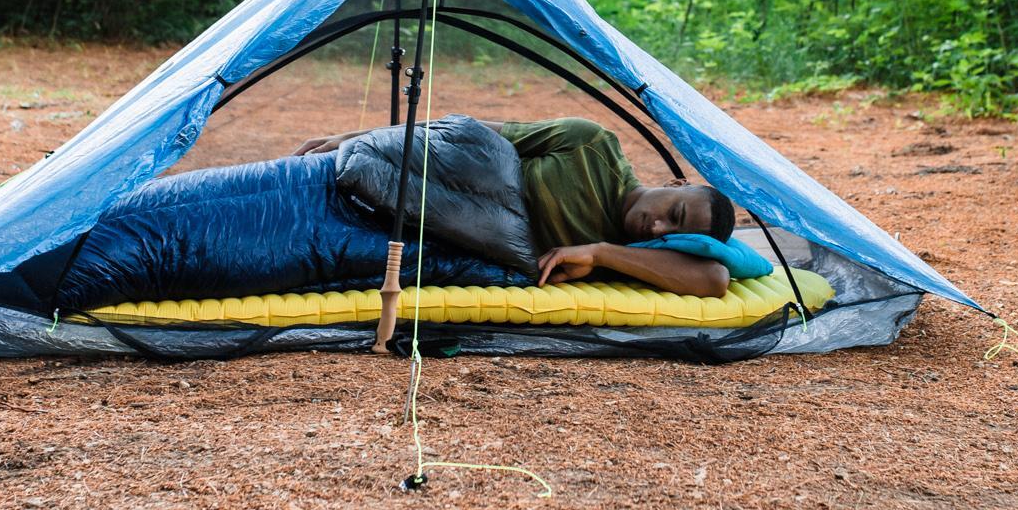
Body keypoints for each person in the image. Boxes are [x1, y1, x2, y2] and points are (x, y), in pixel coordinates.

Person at [294, 116, 736, 298]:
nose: (655, 227)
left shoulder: (638, 255)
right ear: (675, 182)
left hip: (437, 244)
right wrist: (360, 137)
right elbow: (470, 133)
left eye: (672, 233)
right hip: (419, 187)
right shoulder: (592, 144)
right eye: (671, 212)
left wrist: (600, 252)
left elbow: (714, 280)